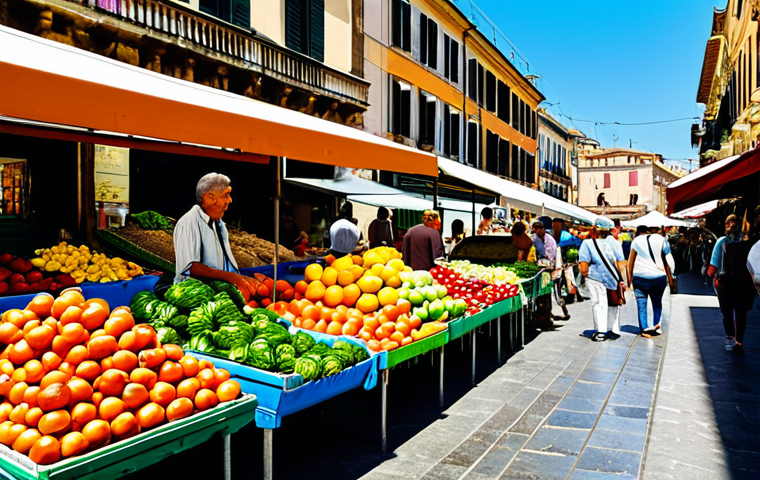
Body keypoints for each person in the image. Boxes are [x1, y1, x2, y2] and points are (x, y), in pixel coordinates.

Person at [173, 173, 260, 301]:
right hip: (191, 296)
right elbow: (192, 268)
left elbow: (225, 265)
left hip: (217, 293)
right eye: (226, 195)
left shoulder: (219, 225)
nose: (230, 200)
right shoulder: (189, 222)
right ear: (210, 198)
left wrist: (244, 278)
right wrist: (233, 278)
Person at [708, 214, 757, 356]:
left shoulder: (721, 242)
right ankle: (739, 342)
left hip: (725, 283)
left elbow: (712, 269)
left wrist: (708, 273)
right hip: (744, 283)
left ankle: (730, 339)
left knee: (727, 312)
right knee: (741, 313)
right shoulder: (750, 243)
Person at [578, 225, 626, 341]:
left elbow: (584, 265)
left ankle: (601, 331)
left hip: (595, 277)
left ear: (594, 230)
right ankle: (614, 329)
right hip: (613, 277)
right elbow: (621, 263)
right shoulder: (615, 243)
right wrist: (622, 280)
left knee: (599, 302)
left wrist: (583, 275)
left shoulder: (587, 243)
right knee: (613, 303)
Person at [627, 225, 675, 337]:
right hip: (658, 276)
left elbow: (631, 261)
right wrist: (671, 278)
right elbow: (668, 260)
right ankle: (656, 325)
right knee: (657, 302)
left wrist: (629, 279)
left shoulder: (636, 240)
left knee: (641, 302)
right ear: (658, 230)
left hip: (639, 276)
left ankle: (644, 328)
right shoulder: (662, 240)